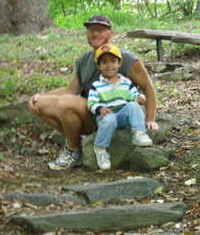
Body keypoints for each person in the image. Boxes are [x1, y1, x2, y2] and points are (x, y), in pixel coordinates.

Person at [28, 15, 159, 171]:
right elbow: (70, 90)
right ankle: (76, 144)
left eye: (100, 30)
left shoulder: (126, 58)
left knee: (65, 103)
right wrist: (41, 96)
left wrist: (150, 118)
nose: (95, 34)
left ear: (111, 33)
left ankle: (73, 150)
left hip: (117, 114)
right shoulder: (84, 60)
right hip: (92, 111)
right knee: (39, 104)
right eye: (91, 30)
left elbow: (148, 87)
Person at [88, 44, 153, 170]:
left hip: (122, 115)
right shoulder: (97, 85)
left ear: (119, 63)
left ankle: (138, 133)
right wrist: (100, 108)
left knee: (133, 106)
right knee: (109, 119)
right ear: (98, 65)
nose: (109, 65)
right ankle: (100, 148)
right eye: (104, 62)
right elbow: (91, 102)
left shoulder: (126, 82)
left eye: (113, 61)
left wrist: (139, 98)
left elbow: (133, 96)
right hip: (106, 117)